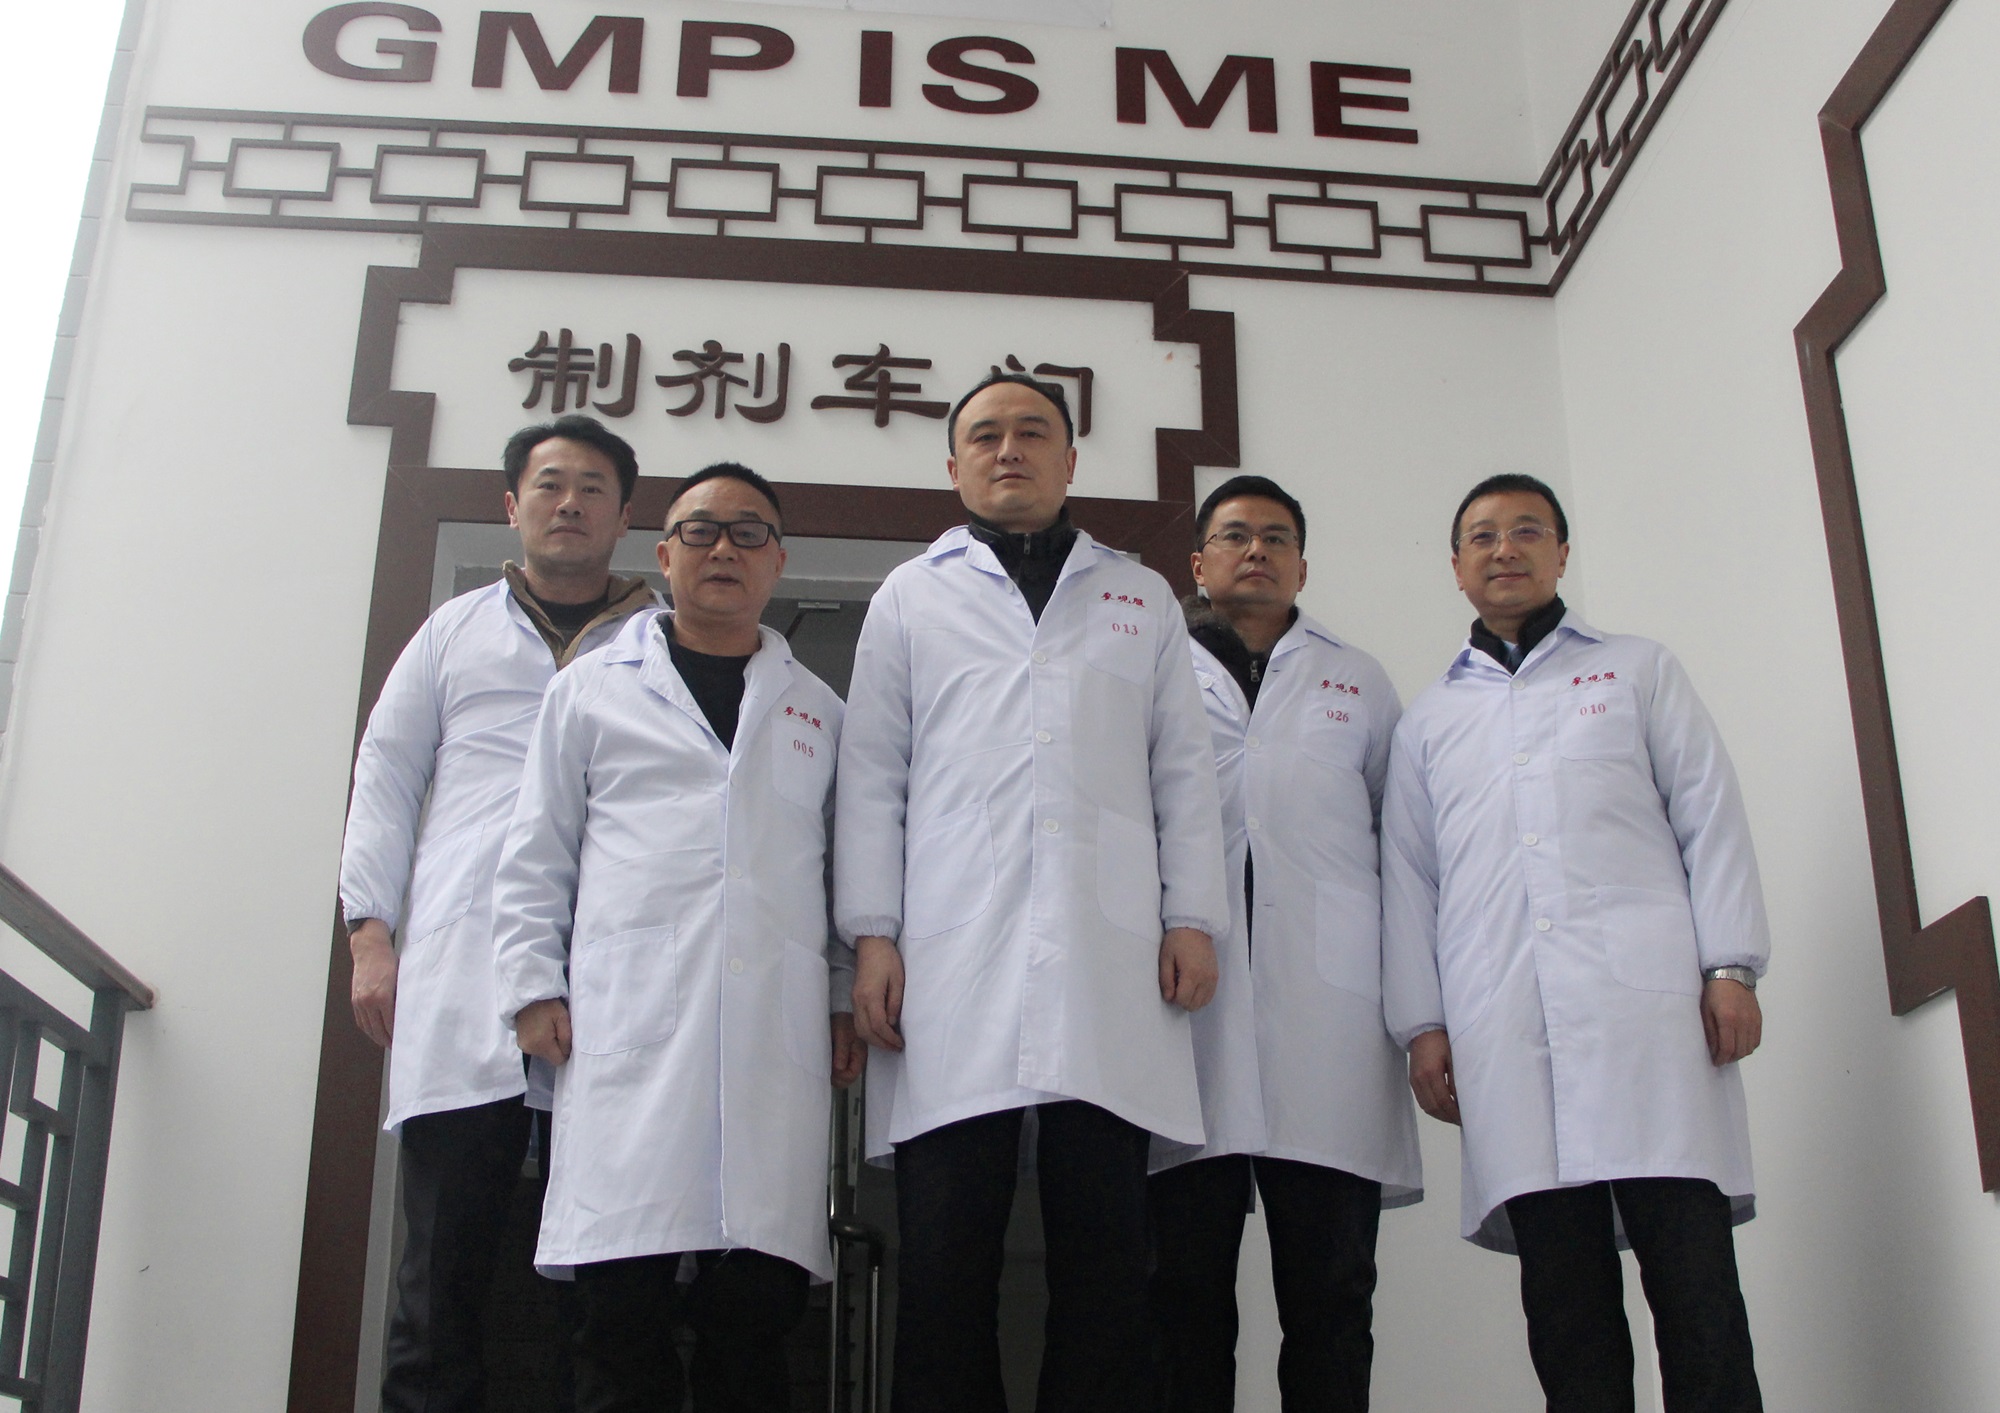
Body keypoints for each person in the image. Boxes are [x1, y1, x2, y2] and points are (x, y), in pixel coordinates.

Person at [837, 372, 1230, 1413]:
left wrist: (1191, 916)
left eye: (1030, 432)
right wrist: (872, 934)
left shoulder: (1139, 596)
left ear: (1069, 459)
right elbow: (871, 774)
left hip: (1110, 964)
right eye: (984, 435)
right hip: (951, 960)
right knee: (944, 1262)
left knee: (1106, 1262)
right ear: (953, 465)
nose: (1007, 450)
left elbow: (1183, 770)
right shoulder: (909, 596)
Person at [1381, 473, 1767, 1413]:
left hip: (1650, 1023)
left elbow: (1709, 816)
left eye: (1526, 531)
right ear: (1456, 567)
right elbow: (1409, 883)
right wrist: (1422, 1027)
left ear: (1561, 552)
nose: (1504, 549)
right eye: (1483, 536)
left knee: (1695, 1290)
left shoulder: (1637, 671)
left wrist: (1730, 965)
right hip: (1507, 1031)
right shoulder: (1429, 721)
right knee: (1565, 1310)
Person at [492, 460, 864, 1413]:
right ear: (663, 556)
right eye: (700, 531)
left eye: (748, 532)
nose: (723, 549)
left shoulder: (820, 711)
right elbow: (537, 851)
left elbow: (840, 879)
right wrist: (532, 983)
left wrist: (838, 998)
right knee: (621, 1324)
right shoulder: (590, 691)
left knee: (755, 1324)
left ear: (778, 560)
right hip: (629, 1037)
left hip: (770, 1048)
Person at [339, 413, 656, 1413]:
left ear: (625, 516)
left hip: (612, 986)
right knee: (441, 1271)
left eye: (594, 488)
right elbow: (387, 776)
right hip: (464, 976)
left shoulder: (658, 639)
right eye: (550, 484)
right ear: (512, 505)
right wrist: (370, 933)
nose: (570, 503)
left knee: (609, 1276)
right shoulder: (453, 632)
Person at [1151, 475, 1422, 1413]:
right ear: (1199, 563)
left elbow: (1403, 850)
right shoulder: (1153, 667)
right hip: (1186, 1020)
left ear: (1303, 565)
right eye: (1235, 536)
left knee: (1333, 1294)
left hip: (1329, 1027)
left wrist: (1421, 1015)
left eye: (1276, 537)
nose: (1256, 550)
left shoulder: (1360, 680)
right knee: (1180, 1295)